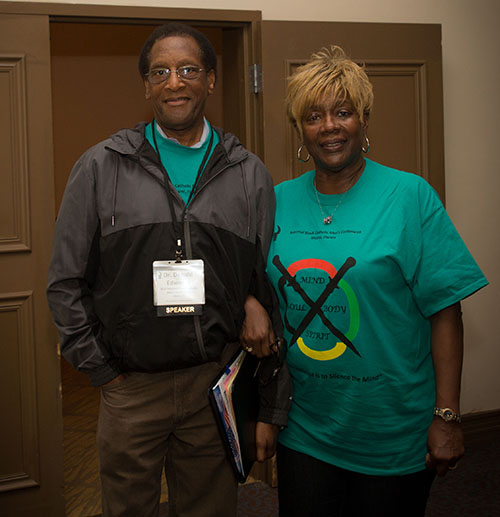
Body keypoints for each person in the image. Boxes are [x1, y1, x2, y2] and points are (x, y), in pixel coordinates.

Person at [47, 23, 291, 517]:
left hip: (213, 386)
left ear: (211, 81)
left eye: (187, 70)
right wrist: (103, 372)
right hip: (130, 390)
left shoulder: (249, 176)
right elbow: (66, 282)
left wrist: (248, 304)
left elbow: (263, 282)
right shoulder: (100, 168)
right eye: (160, 72)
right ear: (146, 85)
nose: (174, 82)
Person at [243, 45, 488, 516]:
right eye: (313, 116)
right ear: (300, 129)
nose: (329, 126)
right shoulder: (275, 201)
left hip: (392, 430)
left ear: (365, 119)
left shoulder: (410, 196)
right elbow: (258, 294)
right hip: (306, 426)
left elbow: (445, 310)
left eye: (343, 112)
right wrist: (251, 306)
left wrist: (447, 416)